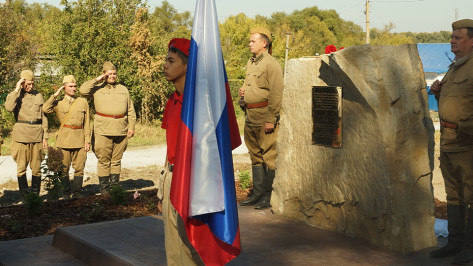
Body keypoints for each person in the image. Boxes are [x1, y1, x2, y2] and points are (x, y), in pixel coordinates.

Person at [429, 19, 473, 265]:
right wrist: (438, 91)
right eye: (452, 37)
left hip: (467, 142)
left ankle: (469, 246)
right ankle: (455, 242)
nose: (452, 41)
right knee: (453, 195)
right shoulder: (456, 66)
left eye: (457, 37)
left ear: (472, 41)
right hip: (448, 140)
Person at [158, 38, 203, 265]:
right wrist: (162, 187)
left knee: (193, 245)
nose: (165, 65)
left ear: (187, 65)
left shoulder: (199, 105)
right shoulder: (171, 101)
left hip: (193, 180)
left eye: (171, 60)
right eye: (166, 60)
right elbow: (170, 147)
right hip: (171, 176)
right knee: (173, 245)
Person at [238, 27, 284, 210]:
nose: (249, 44)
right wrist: (243, 95)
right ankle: (257, 194)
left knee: (269, 158)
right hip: (250, 116)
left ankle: (268, 196)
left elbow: (276, 93)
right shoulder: (252, 63)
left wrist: (271, 119)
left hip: (264, 116)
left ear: (264, 43)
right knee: (255, 157)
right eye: (249, 41)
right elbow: (251, 86)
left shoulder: (271, 64)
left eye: (253, 41)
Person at [79, 62, 136, 195]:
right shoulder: (97, 88)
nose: (112, 76)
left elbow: (130, 110)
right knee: (104, 161)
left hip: (121, 129)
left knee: (116, 160)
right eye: (109, 74)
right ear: (104, 74)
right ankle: (105, 191)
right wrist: (97, 79)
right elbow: (82, 91)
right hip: (103, 129)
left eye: (114, 73)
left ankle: (115, 189)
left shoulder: (123, 89)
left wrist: (131, 127)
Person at [43, 75, 91, 199]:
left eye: (75, 86)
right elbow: (45, 109)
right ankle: (65, 194)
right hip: (64, 140)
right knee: (63, 170)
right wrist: (55, 95)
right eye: (70, 86)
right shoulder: (58, 103)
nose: (73, 89)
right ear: (64, 87)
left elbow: (87, 123)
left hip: (79, 139)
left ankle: (77, 194)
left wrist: (87, 140)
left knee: (79, 169)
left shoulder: (82, 101)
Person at [4, 70, 48, 196]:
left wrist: (45, 136)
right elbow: (8, 107)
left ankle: (35, 196)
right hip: (21, 136)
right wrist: (17, 89)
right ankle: (24, 196)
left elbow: (43, 117)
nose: (31, 86)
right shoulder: (15, 95)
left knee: (37, 169)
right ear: (22, 83)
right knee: (21, 168)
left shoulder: (38, 95)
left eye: (32, 83)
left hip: (37, 135)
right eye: (28, 84)